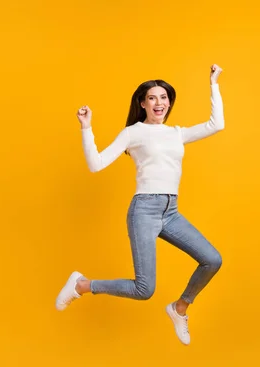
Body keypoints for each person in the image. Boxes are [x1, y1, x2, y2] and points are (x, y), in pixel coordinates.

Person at [56, 64, 225, 345]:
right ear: (142, 103)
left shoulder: (176, 133)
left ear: (169, 102)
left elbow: (216, 124)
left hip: (170, 212)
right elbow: (96, 164)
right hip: (144, 211)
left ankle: (180, 308)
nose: (160, 103)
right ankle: (81, 285)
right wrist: (86, 129)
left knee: (212, 259)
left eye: (164, 97)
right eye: (153, 98)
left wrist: (214, 84)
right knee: (144, 289)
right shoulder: (133, 133)